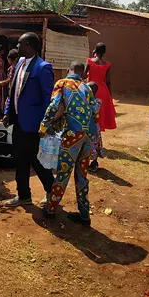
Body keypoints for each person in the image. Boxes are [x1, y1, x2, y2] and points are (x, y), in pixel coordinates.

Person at [0, 33, 55, 207]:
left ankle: (52, 191)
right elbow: (13, 91)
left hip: (34, 124)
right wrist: (8, 113)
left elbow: (47, 98)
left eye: (20, 43)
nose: (17, 46)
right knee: (20, 159)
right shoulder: (20, 64)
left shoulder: (43, 67)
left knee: (36, 160)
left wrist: (46, 123)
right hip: (18, 121)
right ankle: (23, 195)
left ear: (29, 45)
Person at [40, 62, 97, 225]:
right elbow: (95, 111)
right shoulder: (87, 88)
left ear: (68, 70)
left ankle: (51, 209)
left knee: (63, 173)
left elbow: (53, 106)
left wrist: (43, 126)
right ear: (82, 73)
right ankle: (84, 215)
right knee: (82, 176)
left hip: (72, 136)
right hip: (88, 136)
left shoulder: (62, 83)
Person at [85, 43, 116, 132]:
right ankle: (99, 133)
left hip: (91, 88)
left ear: (95, 50)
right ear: (104, 52)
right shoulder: (107, 64)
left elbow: (83, 75)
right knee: (101, 112)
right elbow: (108, 81)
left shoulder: (90, 61)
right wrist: (110, 95)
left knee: (90, 111)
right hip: (103, 90)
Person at [87, 82, 104, 172]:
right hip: (87, 127)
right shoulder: (85, 100)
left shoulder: (97, 101)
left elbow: (95, 109)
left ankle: (94, 163)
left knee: (95, 144)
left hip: (94, 127)